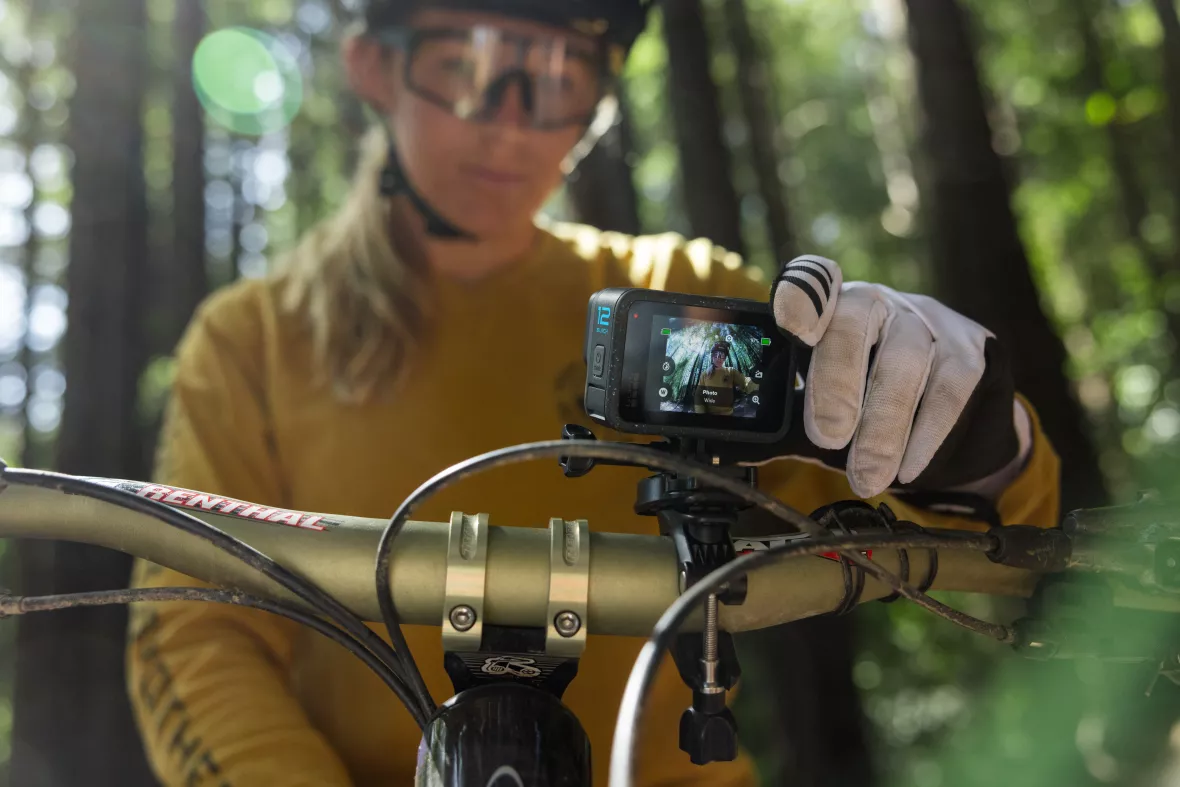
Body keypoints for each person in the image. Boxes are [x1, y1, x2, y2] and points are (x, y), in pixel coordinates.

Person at [125, 1, 1063, 785]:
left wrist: (978, 446)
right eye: (464, 67)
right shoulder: (253, 340)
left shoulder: (680, 293)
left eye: (560, 77)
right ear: (375, 67)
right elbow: (193, 630)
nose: (510, 122)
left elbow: (995, 542)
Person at [692, 340, 758, 415]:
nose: (718, 358)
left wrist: (761, 386)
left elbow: (745, 382)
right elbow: (698, 396)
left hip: (728, 415)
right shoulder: (705, 374)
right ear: (712, 356)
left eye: (722, 355)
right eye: (715, 354)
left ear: (725, 358)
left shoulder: (731, 372)